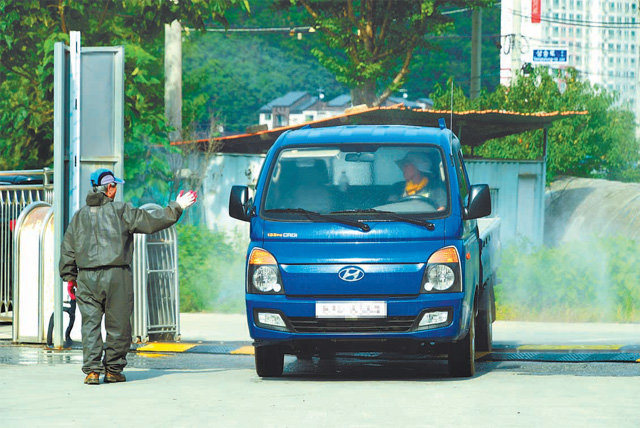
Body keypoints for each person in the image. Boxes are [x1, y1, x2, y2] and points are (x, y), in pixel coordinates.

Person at [59, 168, 196, 385]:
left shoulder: (79, 216)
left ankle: (92, 372)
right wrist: (177, 207)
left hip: (85, 278)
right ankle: (113, 371)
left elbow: (68, 248)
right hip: (116, 275)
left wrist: (70, 277)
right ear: (110, 188)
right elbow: (152, 221)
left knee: (90, 325)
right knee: (119, 325)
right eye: (115, 186)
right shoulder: (122, 211)